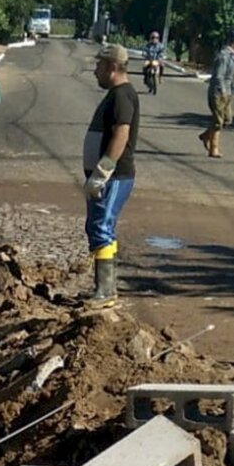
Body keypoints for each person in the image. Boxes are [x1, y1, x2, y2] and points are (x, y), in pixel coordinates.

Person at [81, 42, 140, 308]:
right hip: (108, 176)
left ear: (113, 68)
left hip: (114, 176)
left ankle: (105, 292)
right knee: (99, 226)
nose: (95, 71)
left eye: (99, 66)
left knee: (101, 226)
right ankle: (105, 288)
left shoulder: (122, 96)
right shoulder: (117, 94)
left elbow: (122, 133)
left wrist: (103, 170)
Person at [200, 29, 234, 159]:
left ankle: (206, 135)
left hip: (227, 92)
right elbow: (218, 76)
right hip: (218, 92)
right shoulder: (224, 55)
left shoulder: (232, 55)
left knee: (227, 119)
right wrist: (223, 91)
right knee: (218, 121)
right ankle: (214, 149)